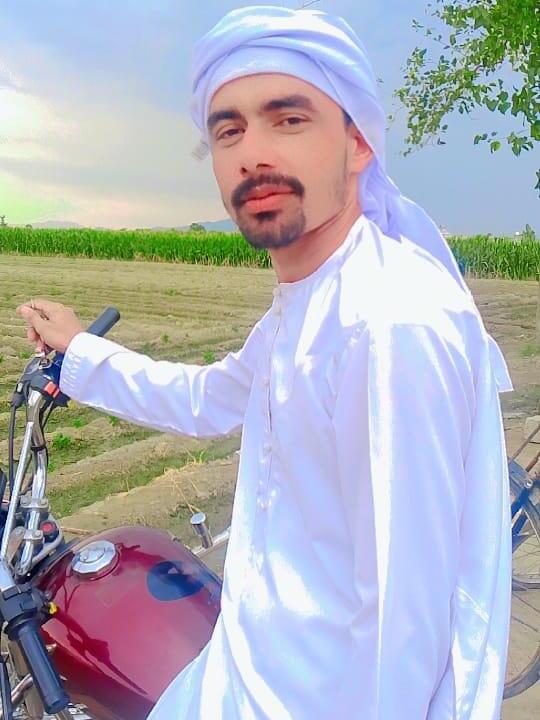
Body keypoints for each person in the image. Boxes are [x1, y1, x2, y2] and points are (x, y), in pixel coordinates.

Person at [17, 6, 513, 719]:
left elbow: (402, 640)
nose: (253, 153)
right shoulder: (307, 301)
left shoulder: (388, 323)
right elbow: (210, 398)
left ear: (358, 144)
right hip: (246, 673)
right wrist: (82, 351)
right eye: (229, 130)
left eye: (289, 119)